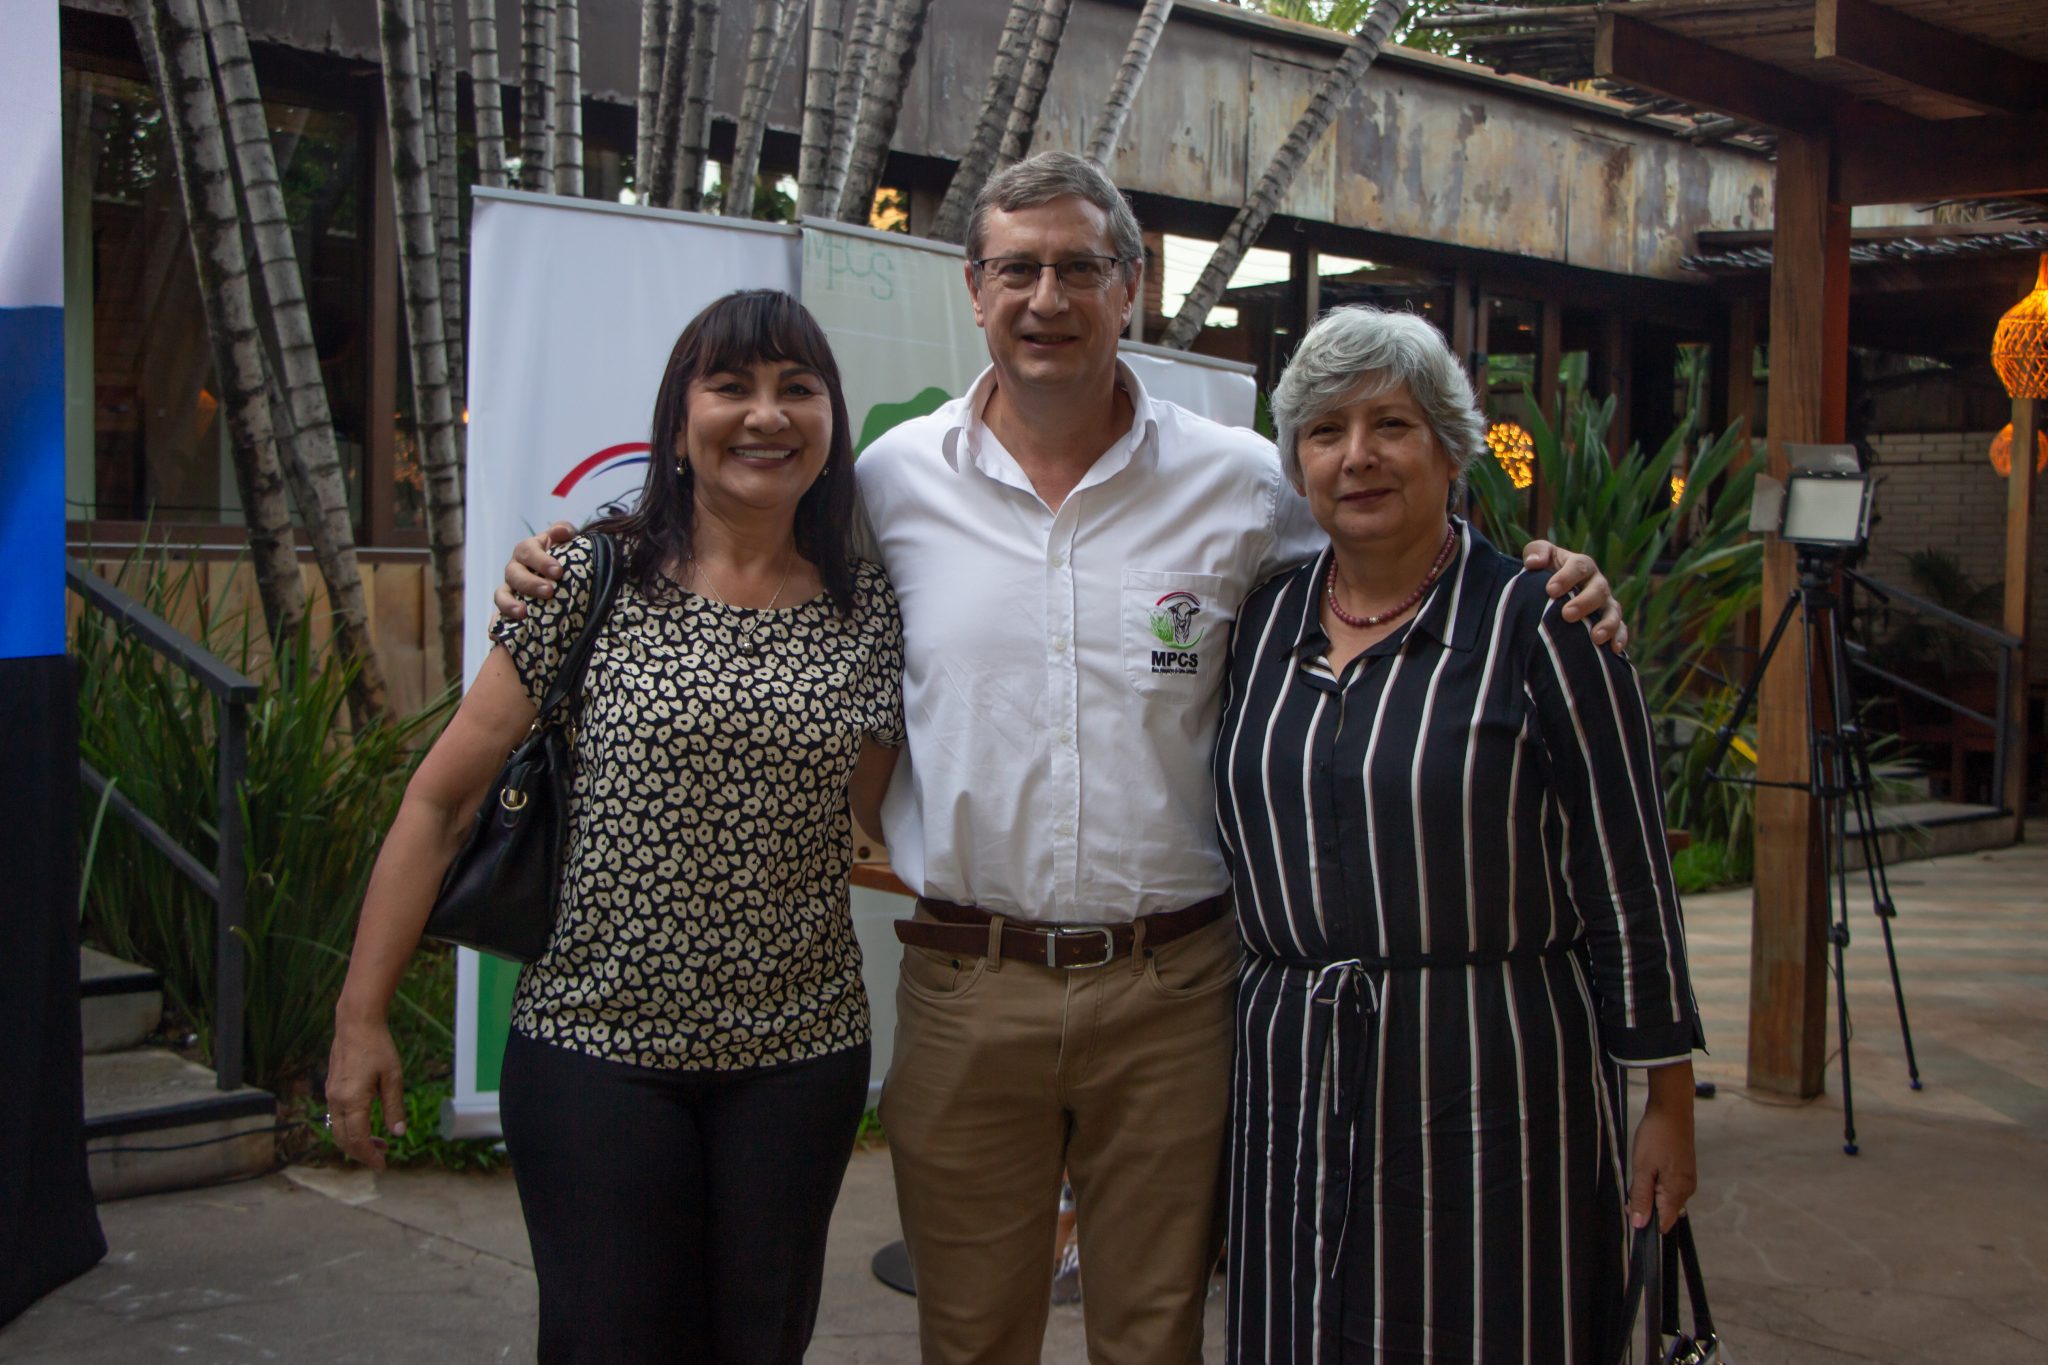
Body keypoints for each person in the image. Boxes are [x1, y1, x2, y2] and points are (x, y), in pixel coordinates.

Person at [497, 153, 1624, 1364]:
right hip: (968, 986)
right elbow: (741, 555)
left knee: (1152, 1338)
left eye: (1079, 268)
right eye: (1017, 270)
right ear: (973, 291)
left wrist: (1541, 582)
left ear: (1128, 286)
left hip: (1174, 992)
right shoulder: (889, 482)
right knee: (971, 1340)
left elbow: (1390, 553)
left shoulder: (1239, 481)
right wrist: (572, 563)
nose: (1047, 298)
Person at [327, 290, 905, 1364]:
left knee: (760, 1345)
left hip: (800, 1057)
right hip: (596, 1054)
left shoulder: (867, 608)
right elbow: (440, 802)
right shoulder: (588, 578)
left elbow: (872, 817)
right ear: (678, 427)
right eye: (730, 386)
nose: (766, 414)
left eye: (797, 388)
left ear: (831, 423)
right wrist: (361, 1020)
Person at [1214, 305, 1702, 1363]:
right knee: (1298, 1330)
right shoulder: (1259, 624)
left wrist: (1667, 1100)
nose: (1357, 456)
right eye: (1325, 431)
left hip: (1490, 1071)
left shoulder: (1544, 623)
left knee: (1492, 1326)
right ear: (1297, 464)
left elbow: (1628, 874)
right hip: (1291, 1071)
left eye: (1390, 425)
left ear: (1448, 449)